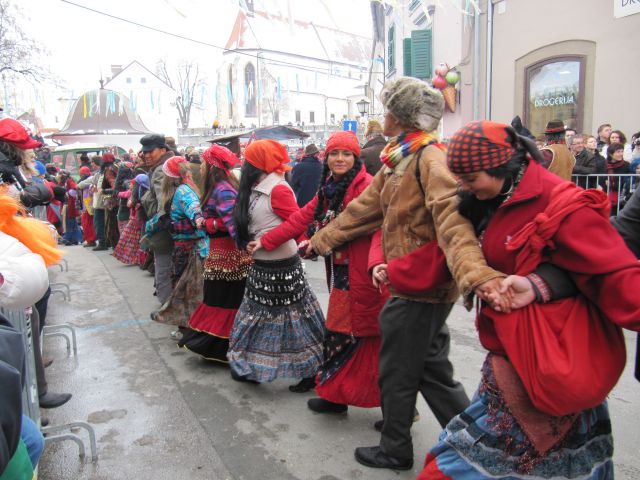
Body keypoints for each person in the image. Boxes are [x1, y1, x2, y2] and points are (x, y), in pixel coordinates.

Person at [418, 120, 640, 480]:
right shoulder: (487, 198)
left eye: (471, 178)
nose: (463, 186)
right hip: (511, 357)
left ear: (503, 167)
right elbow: (451, 249)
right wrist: (393, 271)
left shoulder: (562, 205)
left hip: (553, 360)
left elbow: (612, 272)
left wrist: (540, 285)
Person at [308, 77, 505, 471]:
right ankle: (475, 445)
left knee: (396, 368)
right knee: (432, 370)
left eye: (387, 111)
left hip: (420, 285)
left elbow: (453, 221)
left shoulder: (429, 158)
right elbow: (364, 210)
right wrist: (320, 241)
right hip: (412, 282)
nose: (382, 118)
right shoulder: (400, 159)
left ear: (400, 117)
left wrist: (475, 276)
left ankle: (395, 447)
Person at [249, 130, 388, 406]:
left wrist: (374, 263)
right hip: (344, 271)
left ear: (356, 157)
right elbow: (299, 218)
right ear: (326, 157)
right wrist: (264, 241)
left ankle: (391, 409)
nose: (340, 159)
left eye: (346, 153)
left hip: (364, 272)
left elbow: (371, 228)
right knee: (341, 333)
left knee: (366, 339)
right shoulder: (328, 188)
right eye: (334, 153)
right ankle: (336, 395)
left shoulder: (366, 186)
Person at [229, 139, 325, 386]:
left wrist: (302, 245)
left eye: (248, 159)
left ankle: (309, 370)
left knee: (294, 320)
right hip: (262, 265)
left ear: (257, 163)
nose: (244, 163)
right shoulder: (257, 187)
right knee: (258, 316)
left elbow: (297, 223)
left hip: (282, 266)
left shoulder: (278, 189)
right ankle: (251, 366)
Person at [179, 145, 251, 362]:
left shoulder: (223, 189)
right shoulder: (223, 187)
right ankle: (219, 347)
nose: (200, 167)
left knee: (223, 300)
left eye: (203, 163)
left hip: (228, 258)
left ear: (211, 166)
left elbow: (235, 225)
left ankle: (222, 348)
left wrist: (208, 224)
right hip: (223, 255)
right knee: (220, 299)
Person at [140, 134, 175, 305]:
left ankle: (167, 308)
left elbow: (164, 203)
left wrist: (156, 224)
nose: (146, 155)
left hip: (165, 231)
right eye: (144, 152)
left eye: (150, 151)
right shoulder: (167, 165)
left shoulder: (162, 169)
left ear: (162, 150)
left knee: (164, 272)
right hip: (172, 229)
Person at [112, 174, 148, 266]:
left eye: (132, 184)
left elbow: (129, 204)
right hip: (136, 219)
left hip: (135, 220)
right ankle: (137, 258)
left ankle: (134, 258)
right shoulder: (143, 192)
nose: (130, 185)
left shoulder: (136, 193)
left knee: (127, 238)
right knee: (136, 240)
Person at [604, 141, 631, 211]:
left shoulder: (626, 165)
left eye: (622, 151)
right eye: (618, 152)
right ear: (610, 154)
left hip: (620, 195)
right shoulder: (604, 164)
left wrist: (612, 183)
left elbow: (626, 180)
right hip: (605, 194)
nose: (621, 154)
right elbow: (601, 179)